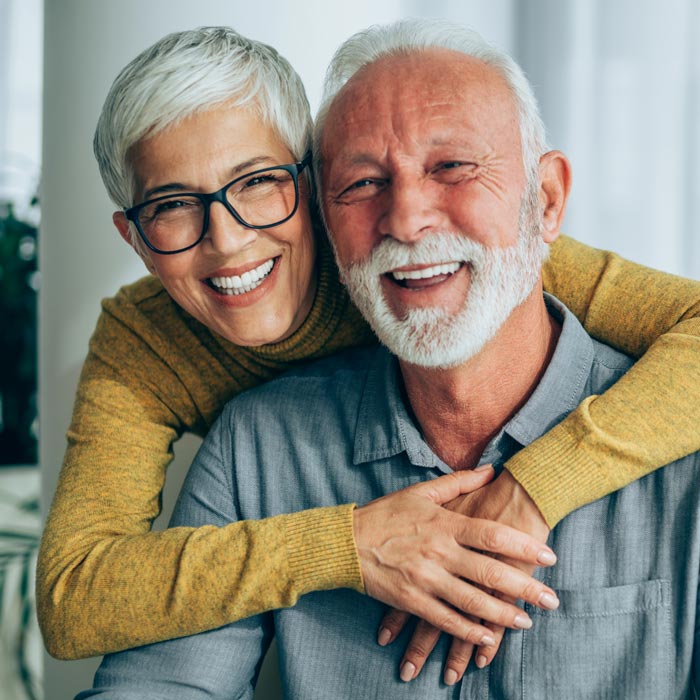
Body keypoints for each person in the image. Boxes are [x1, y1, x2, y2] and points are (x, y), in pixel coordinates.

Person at [75, 19, 700, 699]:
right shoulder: (244, 439)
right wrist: (343, 547)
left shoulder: (670, 437)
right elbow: (80, 600)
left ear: (545, 201)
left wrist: (535, 487)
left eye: (452, 166)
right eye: (364, 182)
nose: (406, 220)